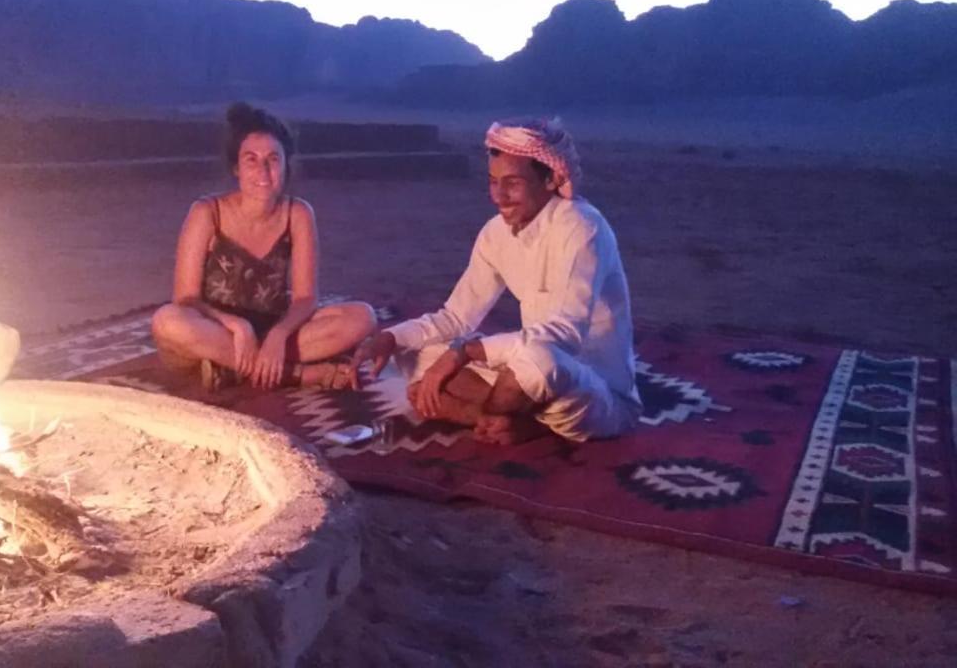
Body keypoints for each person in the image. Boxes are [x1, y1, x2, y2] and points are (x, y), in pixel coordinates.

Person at [351, 117, 641, 444]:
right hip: (521, 379)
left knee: (538, 359)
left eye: (513, 183)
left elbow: (564, 335)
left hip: (594, 392)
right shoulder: (495, 233)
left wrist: (466, 353)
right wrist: (390, 339)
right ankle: (500, 421)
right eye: (492, 181)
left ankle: (491, 415)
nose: (499, 196)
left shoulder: (582, 227)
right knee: (412, 353)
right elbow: (456, 317)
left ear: (551, 179)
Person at [151, 102, 376, 391]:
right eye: (251, 160)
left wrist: (278, 336)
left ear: (285, 165)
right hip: (212, 331)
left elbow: (306, 298)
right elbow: (186, 299)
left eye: (273, 159)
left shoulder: (298, 214)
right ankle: (297, 374)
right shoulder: (207, 213)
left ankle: (232, 368)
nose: (263, 170)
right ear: (236, 168)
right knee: (168, 321)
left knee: (362, 318)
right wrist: (237, 325)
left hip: (270, 326)